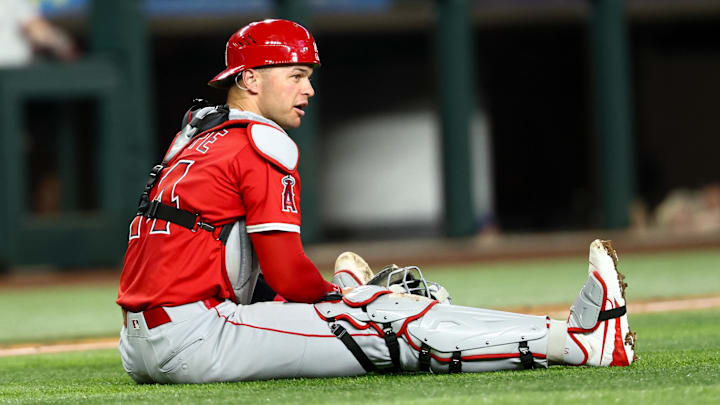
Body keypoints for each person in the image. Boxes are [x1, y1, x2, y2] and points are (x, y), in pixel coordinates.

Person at [116, 19, 636, 384]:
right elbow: (286, 271)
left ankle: (570, 330)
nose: (308, 89)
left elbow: (232, 264)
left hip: (142, 344)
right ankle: (582, 345)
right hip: (196, 336)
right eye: (296, 76)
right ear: (250, 79)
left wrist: (333, 296)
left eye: (309, 78)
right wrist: (338, 299)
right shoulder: (261, 140)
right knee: (386, 325)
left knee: (378, 307)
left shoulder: (195, 133)